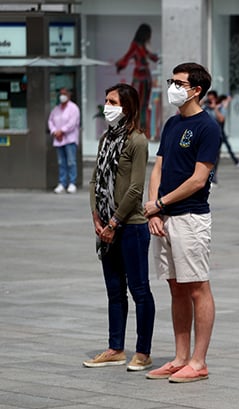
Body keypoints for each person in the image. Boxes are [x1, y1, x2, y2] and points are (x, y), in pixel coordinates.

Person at [142, 62, 221, 383]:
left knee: (197, 286)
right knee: (175, 288)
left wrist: (160, 203)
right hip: (165, 217)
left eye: (179, 82)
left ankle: (198, 361)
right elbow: (157, 169)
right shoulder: (172, 124)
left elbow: (199, 179)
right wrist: (154, 211)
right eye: (171, 80)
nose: (173, 86)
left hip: (190, 217)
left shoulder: (207, 127)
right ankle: (179, 357)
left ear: (196, 90)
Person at [84, 83, 155, 371]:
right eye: (106, 100)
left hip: (131, 226)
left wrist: (114, 222)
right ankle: (115, 347)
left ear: (126, 107)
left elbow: (136, 188)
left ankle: (143, 351)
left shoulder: (137, 141)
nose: (107, 106)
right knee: (114, 290)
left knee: (139, 289)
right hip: (106, 226)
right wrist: (97, 218)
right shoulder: (105, 140)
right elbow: (94, 181)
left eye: (112, 101)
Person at [116, 23, 159, 133]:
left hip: (145, 79)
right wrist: (120, 64)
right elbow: (127, 57)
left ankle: (142, 128)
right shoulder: (136, 45)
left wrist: (157, 58)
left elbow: (150, 56)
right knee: (137, 104)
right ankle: (136, 128)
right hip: (140, 79)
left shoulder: (142, 46)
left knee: (143, 104)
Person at [49, 88, 81, 194]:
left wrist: (62, 131)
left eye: (64, 94)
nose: (62, 96)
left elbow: (72, 123)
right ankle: (62, 183)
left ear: (69, 95)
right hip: (58, 140)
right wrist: (54, 131)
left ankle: (72, 183)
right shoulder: (56, 109)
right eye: (61, 94)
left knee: (71, 162)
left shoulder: (74, 108)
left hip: (70, 139)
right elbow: (51, 120)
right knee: (61, 162)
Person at [203, 90, 239, 168]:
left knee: (219, 151)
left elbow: (221, 119)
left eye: (212, 99)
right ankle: (235, 161)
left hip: (219, 132)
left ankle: (234, 161)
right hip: (208, 133)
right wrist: (203, 102)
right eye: (209, 99)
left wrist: (215, 108)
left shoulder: (220, 107)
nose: (210, 101)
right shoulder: (205, 108)